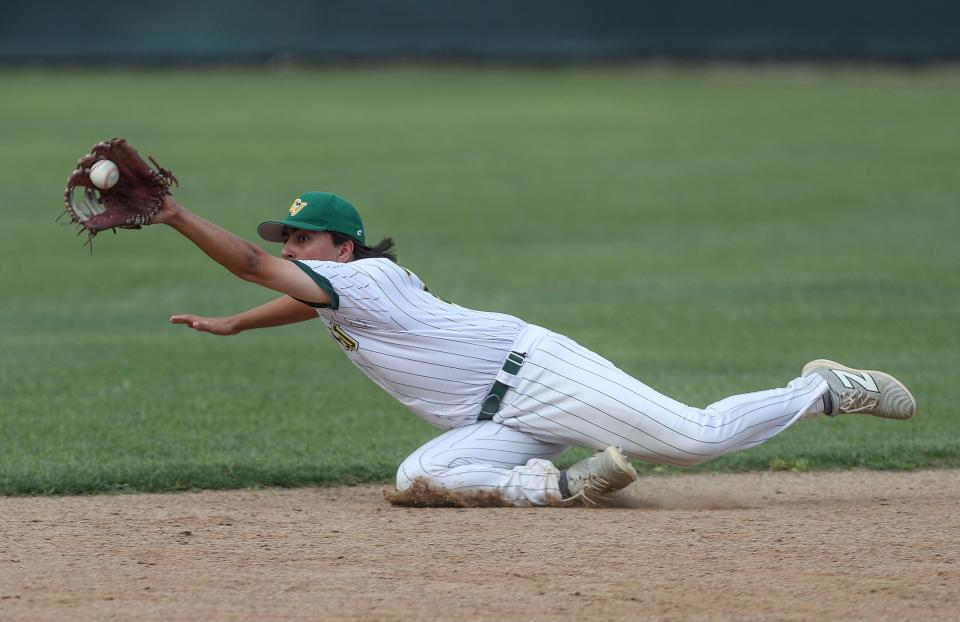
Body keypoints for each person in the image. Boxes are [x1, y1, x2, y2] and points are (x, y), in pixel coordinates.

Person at [155, 191, 917, 506]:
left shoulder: (369, 278)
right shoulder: (339, 289)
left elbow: (256, 267)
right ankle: (558, 487)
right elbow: (293, 298)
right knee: (420, 476)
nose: (289, 247)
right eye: (287, 238)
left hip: (537, 372)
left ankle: (820, 390)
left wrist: (173, 213)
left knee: (692, 440)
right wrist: (237, 324)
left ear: (342, 248)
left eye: (303, 237)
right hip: (501, 419)